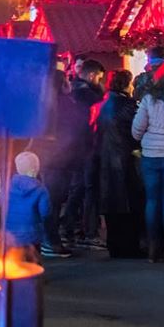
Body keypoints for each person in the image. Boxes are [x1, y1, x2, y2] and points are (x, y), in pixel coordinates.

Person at [30, 70, 84, 258]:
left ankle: (46, 240)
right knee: (52, 202)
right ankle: (50, 242)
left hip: (48, 158)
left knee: (49, 201)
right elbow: (75, 130)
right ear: (61, 84)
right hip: (60, 159)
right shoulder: (65, 104)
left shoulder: (42, 103)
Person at [132, 60, 164, 264]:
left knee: (152, 201)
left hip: (151, 156)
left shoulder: (148, 100)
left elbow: (136, 129)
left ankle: (154, 248)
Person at [95, 70, 143, 258]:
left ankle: (114, 245)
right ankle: (129, 247)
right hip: (124, 158)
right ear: (125, 84)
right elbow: (137, 129)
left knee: (112, 204)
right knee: (128, 203)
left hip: (106, 158)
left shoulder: (104, 104)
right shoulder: (127, 105)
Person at [65, 58, 106, 248]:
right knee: (89, 189)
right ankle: (89, 232)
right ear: (91, 75)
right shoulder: (90, 96)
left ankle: (69, 228)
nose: (100, 81)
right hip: (86, 147)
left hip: (70, 147)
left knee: (77, 189)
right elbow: (94, 122)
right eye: (99, 77)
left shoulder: (69, 91)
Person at [4, 152, 51, 261]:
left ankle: (12, 275)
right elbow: (45, 211)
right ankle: (34, 276)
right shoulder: (41, 189)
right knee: (33, 259)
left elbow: (1, 201)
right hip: (32, 232)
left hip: (10, 232)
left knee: (13, 259)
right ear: (35, 169)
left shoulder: (7, 186)